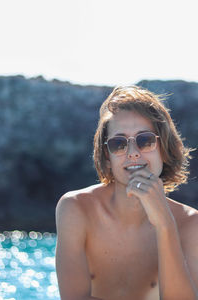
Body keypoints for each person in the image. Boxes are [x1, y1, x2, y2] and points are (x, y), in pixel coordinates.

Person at [55, 86, 198, 300]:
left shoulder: (190, 224)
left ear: (164, 148)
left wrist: (165, 225)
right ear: (107, 156)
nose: (132, 154)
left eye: (145, 140)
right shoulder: (75, 208)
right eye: (119, 144)